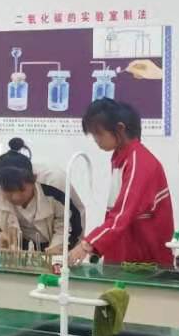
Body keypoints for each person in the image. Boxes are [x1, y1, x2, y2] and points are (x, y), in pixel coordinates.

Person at [67, 99, 173, 267]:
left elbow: (122, 215)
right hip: (126, 255)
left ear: (120, 129)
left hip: (144, 263)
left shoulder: (139, 162)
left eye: (99, 134)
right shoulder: (121, 158)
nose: (96, 140)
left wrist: (87, 244)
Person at [0, 146, 82, 255]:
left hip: (50, 245)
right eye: (8, 191)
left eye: (22, 190)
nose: (16, 197)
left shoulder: (55, 186)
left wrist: (59, 246)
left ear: (34, 179)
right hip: (16, 250)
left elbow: (69, 224)